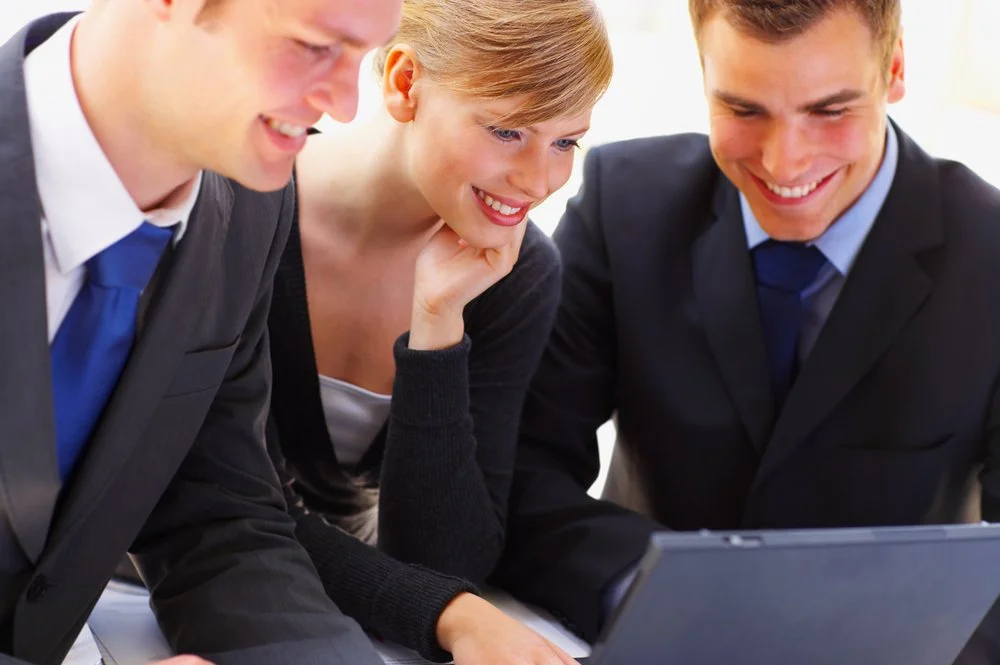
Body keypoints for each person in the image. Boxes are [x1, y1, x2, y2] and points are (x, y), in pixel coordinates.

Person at [493, 1, 1000, 663]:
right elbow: (519, 472)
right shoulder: (625, 205)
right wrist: (652, 594)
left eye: (829, 110)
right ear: (702, 77)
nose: (785, 163)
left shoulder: (989, 256)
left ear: (895, 67)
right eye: (744, 110)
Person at [0, 0, 401, 663]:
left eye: (367, 57)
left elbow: (216, 511)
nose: (347, 105)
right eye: (317, 46)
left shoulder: (248, 202)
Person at [263, 0, 611, 662]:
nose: (539, 181)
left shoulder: (517, 271)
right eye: (508, 130)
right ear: (402, 83)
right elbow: (224, 507)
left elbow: (446, 557)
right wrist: (446, 613)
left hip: (349, 611)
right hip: (148, 586)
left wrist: (437, 331)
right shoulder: (244, 207)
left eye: (566, 141)